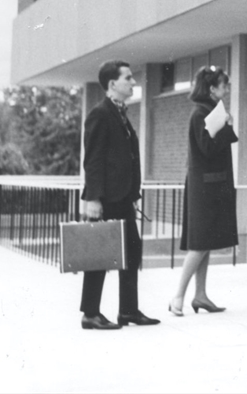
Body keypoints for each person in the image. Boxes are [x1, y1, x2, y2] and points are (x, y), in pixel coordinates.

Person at [80, 61, 159, 329]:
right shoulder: (100, 114)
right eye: (128, 78)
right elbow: (93, 159)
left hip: (123, 198)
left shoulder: (121, 113)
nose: (134, 82)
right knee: (100, 254)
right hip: (106, 199)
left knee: (132, 253)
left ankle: (128, 311)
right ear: (113, 84)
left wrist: (133, 195)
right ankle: (90, 313)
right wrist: (93, 198)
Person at [169, 66, 239, 316]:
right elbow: (208, 148)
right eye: (224, 85)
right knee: (199, 244)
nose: (227, 89)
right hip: (204, 189)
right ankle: (178, 296)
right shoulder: (200, 113)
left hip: (210, 186)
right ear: (212, 89)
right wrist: (227, 127)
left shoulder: (207, 111)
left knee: (205, 242)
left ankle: (200, 295)